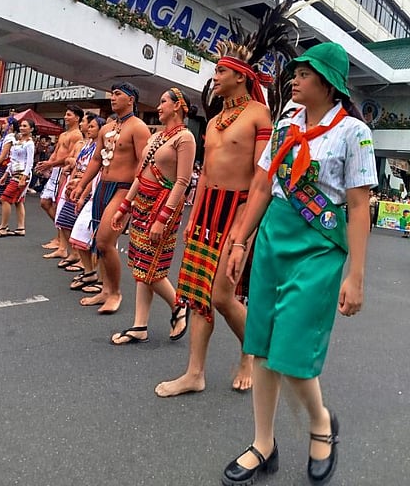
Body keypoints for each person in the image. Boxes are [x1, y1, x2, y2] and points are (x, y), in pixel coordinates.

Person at [221, 42, 377, 486]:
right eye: (295, 73)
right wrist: (239, 242)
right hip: (273, 239)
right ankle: (263, 444)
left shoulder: (354, 133)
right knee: (264, 346)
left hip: (319, 246)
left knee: (290, 354)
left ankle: (321, 423)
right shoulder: (285, 125)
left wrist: (357, 277)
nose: (295, 79)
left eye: (305, 74)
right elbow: (262, 186)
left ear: (328, 84)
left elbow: (359, 206)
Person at [154, 38, 275, 396]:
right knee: (195, 294)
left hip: (239, 211)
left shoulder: (258, 115)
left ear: (240, 76)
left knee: (223, 296)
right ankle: (195, 373)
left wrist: (243, 229)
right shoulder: (216, 119)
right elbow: (205, 172)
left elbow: (260, 177)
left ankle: (251, 355)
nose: (214, 77)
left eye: (221, 71)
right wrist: (192, 212)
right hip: (206, 211)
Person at [110, 87, 196, 344]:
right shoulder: (158, 136)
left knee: (150, 267)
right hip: (142, 203)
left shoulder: (186, 138)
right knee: (140, 264)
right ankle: (140, 325)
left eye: (163, 102)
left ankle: (178, 305)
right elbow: (141, 174)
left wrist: (163, 218)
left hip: (163, 207)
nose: (158, 107)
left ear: (178, 105)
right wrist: (125, 206)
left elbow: (182, 181)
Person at [71, 82, 151, 314]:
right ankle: (106, 290)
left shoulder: (139, 128)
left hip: (123, 189)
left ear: (131, 99)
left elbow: (143, 165)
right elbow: (96, 160)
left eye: (117, 94)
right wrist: (82, 185)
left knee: (105, 241)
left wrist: (134, 199)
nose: (112, 98)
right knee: (100, 241)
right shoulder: (106, 128)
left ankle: (115, 292)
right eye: (111, 95)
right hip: (102, 188)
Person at [54, 113, 105, 270]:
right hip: (76, 184)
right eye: (88, 126)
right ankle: (74, 254)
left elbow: (96, 170)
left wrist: (82, 184)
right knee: (65, 220)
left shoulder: (100, 148)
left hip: (88, 189)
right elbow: (79, 164)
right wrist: (74, 179)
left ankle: (85, 263)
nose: (88, 129)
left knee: (82, 227)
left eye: (92, 126)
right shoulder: (87, 145)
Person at [35, 106, 83, 258]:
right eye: (65, 114)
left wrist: (50, 165)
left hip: (63, 171)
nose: (65, 117)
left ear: (77, 118)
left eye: (69, 115)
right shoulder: (63, 134)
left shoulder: (77, 135)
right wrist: (46, 165)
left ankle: (62, 240)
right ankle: (60, 237)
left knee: (57, 204)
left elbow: (70, 156)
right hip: (55, 170)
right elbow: (56, 153)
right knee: (46, 202)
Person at [0, 119, 36, 237]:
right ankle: (21, 228)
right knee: (19, 201)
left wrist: (23, 178)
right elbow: (12, 160)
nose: (22, 127)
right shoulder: (17, 141)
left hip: (22, 174)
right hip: (14, 173)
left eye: (25, 126)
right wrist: (5, 174)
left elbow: (30, 162)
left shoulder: (30, 144)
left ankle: (4, 227)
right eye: (21, 125)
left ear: (31, 129)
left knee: (5, 199)